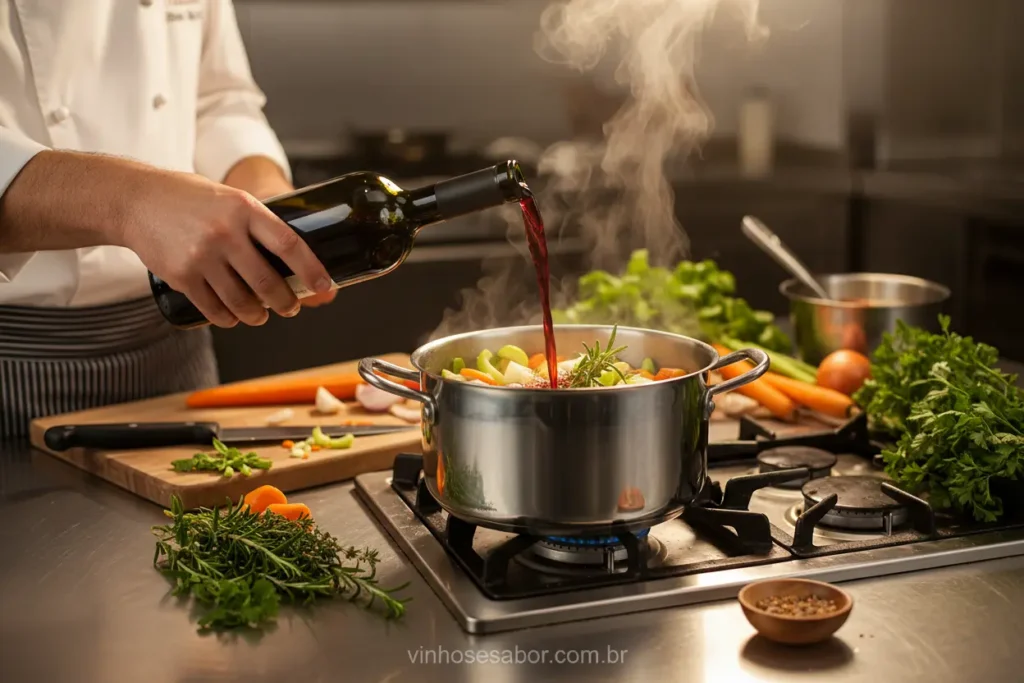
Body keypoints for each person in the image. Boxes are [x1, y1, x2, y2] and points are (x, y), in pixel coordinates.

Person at [0, 1, 334, 439]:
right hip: (14, 367)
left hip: (178, 349)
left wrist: (268, 202)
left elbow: (218, 100)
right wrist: (130, 200)